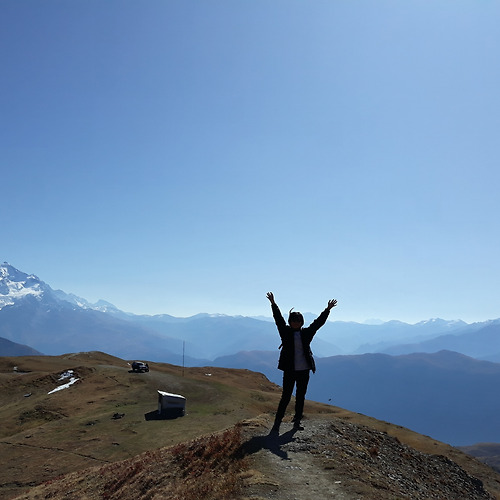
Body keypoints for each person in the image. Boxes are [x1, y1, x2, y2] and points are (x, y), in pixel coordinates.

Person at [266, 292, 337, 434]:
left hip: (304, 370)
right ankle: (278, 421)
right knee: (286, 395)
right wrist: (273, 304)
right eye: (293, 320)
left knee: (300, 396)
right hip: (290, 370)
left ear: (301, 322)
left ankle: (297, 421)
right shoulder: (285, 332)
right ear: (290, 321)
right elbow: (278, 319)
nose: (296, 323)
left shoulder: (306, 333)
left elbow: (317, 323)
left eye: (298, 321)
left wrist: (327, 310)